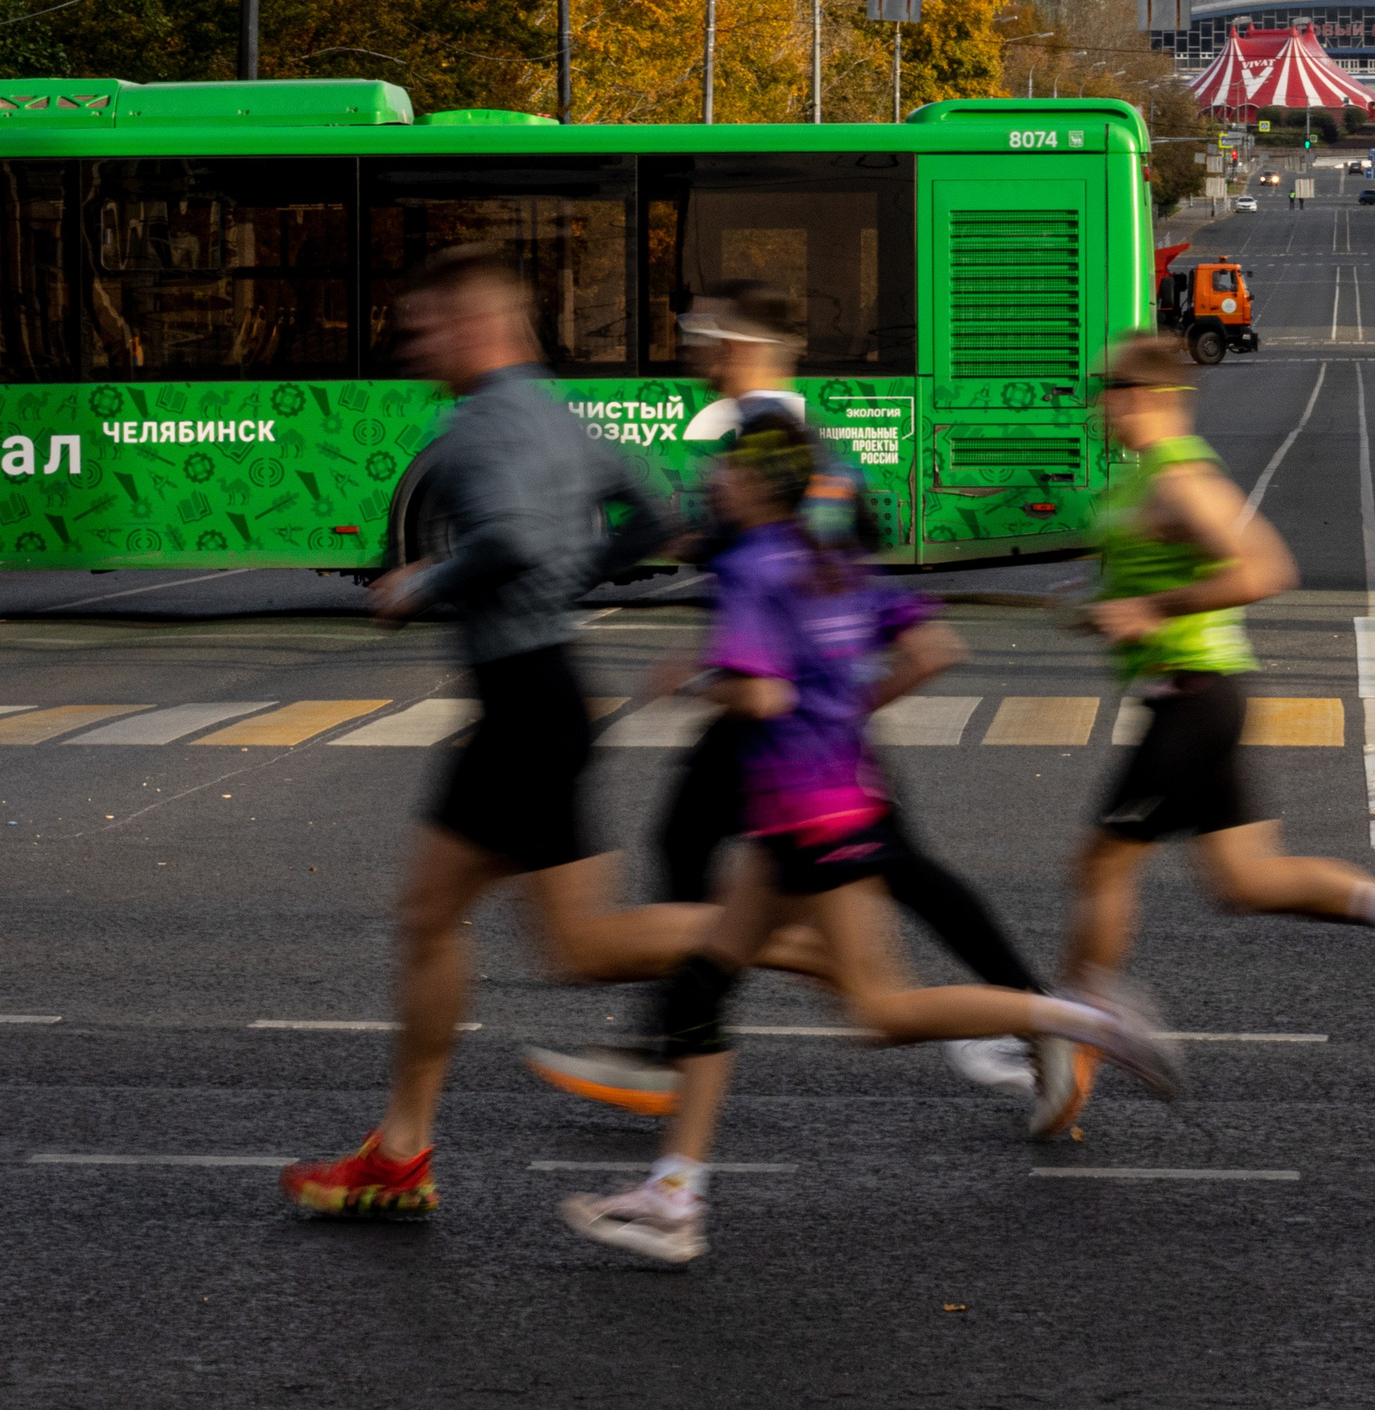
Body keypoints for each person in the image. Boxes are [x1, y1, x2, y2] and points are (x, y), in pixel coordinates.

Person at [559, 416, 1181, 1263]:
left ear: (761, 485)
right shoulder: (835, 562)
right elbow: (935, 648)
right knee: (704, 986)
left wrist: (697, 679)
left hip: (805, 815)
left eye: (730, 471)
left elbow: (764, 697)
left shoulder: (755, 566)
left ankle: (1085, 1018)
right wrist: (844, 707)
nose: (716, 480)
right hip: (822, 802)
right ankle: (675, 1195)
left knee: (879, 1010)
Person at [521, 280, 1053, 1115]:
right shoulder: (765, 438)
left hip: (790, 713)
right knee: (780, 853)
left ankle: (1039, 1016)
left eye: (700, 336)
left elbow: (836, 561)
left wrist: (744, 670)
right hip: (794, 704)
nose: (690, 352)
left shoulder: (788, 447)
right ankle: (675, 1042)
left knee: (847, 865)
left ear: (738, 346)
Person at [281, 245, 703, 1216]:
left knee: (552, 943)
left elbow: (509, 540)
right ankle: (400, 1151)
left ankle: (783, 939)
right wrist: (570, 578)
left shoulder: (473, 430)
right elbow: (652, 520)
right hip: (539, 699)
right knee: (482, 925)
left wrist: (423, 579)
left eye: (428, 325)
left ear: (478, 327)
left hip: (524, 707)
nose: (415, 343)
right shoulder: (561, 414)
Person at [1033, 334, 1375, 1139]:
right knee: (1245, 880)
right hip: (1191, 698)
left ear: (1146, 395)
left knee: (1100, 862)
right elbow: (1158, 568)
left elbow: (1264, 567)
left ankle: (1090, 1030)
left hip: (1195, 698)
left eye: (1108, 389)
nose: (1098, 403)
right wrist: (1100, 597)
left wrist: (1151, 611)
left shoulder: (1181, 477)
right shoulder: (1141, 476)